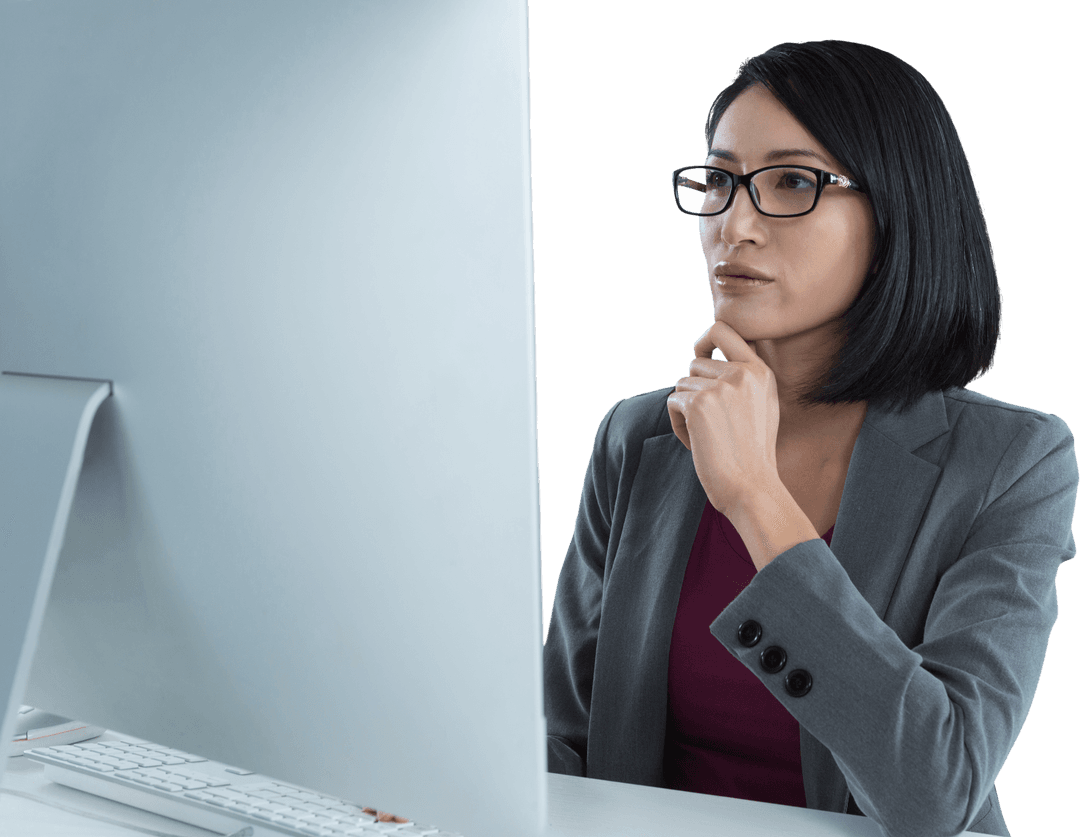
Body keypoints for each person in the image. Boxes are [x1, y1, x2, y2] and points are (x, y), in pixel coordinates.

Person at [543, 40, 1078, 837]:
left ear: (899, 208)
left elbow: (937, 793)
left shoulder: (1012, 463)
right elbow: (564, 748)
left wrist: (755, 495)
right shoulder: (638, 436)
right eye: (720, 181)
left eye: (792, 181)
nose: (736, 224)